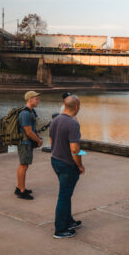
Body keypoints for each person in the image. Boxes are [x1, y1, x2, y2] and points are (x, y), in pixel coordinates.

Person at [49, 95, 84, 239]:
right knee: (64, 196)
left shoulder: (55, 119)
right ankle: (60, 229)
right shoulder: (73, 124)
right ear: (76, 107)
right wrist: (80, 165)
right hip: (67, 164)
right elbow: (75, 149)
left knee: (66, 193)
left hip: (55, 160)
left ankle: (68, 221)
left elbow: (52, 140)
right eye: (79, 106)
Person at [15, 91, 43, 200]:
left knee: (23, 165)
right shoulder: (25, 113)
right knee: (23, 165)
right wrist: (39, 141)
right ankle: (21, 191)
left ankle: (19, 187)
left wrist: (37, 137)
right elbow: (29, 132)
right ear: (30, 99)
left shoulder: (30, 111)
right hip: (24, 143)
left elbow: (32, 130)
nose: (38, 101)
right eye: (36, 99)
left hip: (27, 142)